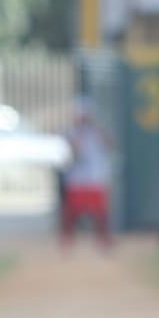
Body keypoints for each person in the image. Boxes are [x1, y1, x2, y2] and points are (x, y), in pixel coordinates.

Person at [59, 97, 113, 251]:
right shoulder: (70, 133)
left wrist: (95, 128)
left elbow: (110, 144)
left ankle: (104, 241)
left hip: (95, 177)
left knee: (100, 212)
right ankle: (67, 241)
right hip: (77, 178)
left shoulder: (98, 131)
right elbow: (71, 153)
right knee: (72, 213)